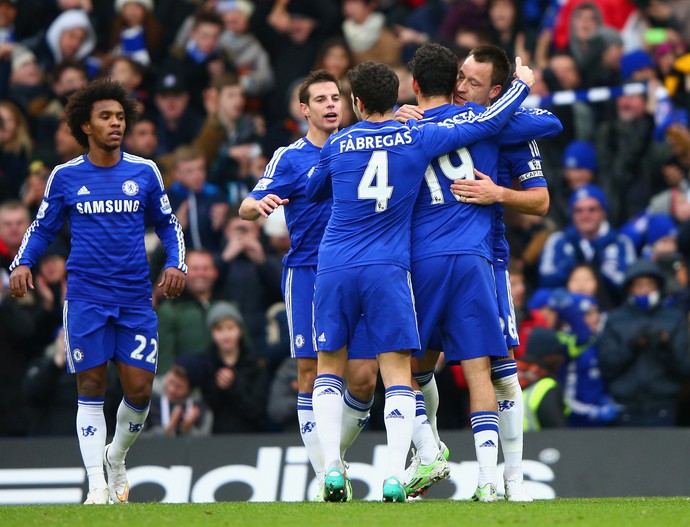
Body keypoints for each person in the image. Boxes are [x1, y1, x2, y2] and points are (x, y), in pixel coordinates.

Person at [305, 58, 534, 502]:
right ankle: (403, 474)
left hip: (338, 263)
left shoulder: (338, 143)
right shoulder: (418, 135)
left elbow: (314, 187)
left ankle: (332, 468)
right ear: (398, 96)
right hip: (393, 266)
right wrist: (520, 88)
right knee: (405, 372)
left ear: (355, 101)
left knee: (328, 368)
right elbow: (491, 122)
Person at [8, 78, 187, 505]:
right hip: (86, 296)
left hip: (135, 298)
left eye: (120, 117)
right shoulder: (65, 176)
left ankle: (117, 457)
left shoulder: (144, 171)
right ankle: (96, 486)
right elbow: (43, 226)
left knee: (140, 390)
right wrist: (23, 263)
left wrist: (177, 263)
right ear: (85, 125)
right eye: (106, 117)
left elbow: (167, 223)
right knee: (90, 383)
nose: (115, 124)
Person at [398, 44, 560, 501]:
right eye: (459, 77)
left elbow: (542, 199)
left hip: (487, 259)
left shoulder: (502, 126)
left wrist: (498, 194)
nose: (460, 86)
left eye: (471, 81)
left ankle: (510, 480)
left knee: (501, 371)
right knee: (433, 368)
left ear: (495, 91)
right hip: (463, 256)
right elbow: (550, 120)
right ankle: (440, 460)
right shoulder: (482, 123)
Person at [239, 70, 379, 501]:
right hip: (307, 273)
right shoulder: (290, 157)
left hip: (358, 270)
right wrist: (257, 204)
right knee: (309, 373)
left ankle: (332, 457)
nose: (331, 105)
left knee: (364, 380)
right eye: (320, 99)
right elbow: (246, 205)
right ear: (305, 110)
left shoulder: (361, 144)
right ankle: (328, 476)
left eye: (336, 97)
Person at [598, 259, 690, 426]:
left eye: (650, 284)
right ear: (630, 289)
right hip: (625, 406)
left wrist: (665, 348)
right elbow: (607, 365)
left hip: (663, 405)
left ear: (659, 287)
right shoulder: (615, 319)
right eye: (639, 285)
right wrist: (632, 346)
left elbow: (685, 367)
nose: (645, 290)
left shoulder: (674, 318)